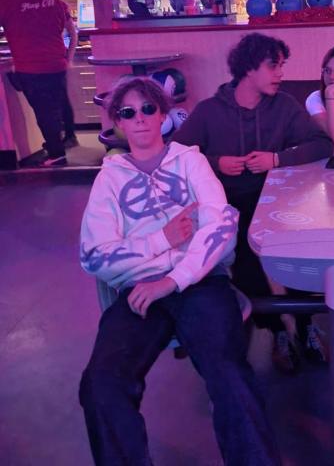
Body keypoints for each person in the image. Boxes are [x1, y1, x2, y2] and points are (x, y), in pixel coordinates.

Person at [79, 77, 281, 466]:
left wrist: (173, 278)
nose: (140, 118)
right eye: (128, 112)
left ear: (163, 115)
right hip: (140, 292)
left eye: (148, 108)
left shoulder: (191, 161)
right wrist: (164, 239)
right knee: (101, 383)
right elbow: (95, 256)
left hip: (200, 282)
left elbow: (222, 228)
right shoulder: (109, 179)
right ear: (118, 122)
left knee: (229, 374)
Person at [174, 32, 334, 374]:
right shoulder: (209, 111)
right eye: (273, 66)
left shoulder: (284, 106)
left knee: (296, 257)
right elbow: (177, 156)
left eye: (282, 66)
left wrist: (276, 159)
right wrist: (216, 163)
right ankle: (277, 331)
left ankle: (305, 326)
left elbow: (323, 144)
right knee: (244, 264)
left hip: (279, 200)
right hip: (231, 204)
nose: (280, 74)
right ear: (248, 68)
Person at [0, 0, 78, 166]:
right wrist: (68, 58)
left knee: (44, 112)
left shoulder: (5, 1)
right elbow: (70, 30)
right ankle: (58, 146)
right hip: (56, 64)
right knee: (55, 108)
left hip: (30, 67)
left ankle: (56, 154)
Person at [33, 0, 79, 149]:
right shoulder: (37, 6)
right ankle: (60, 138)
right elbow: (73, 34)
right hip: (47, 59)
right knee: (53, 102)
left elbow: (72, 33)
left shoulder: (55, 3)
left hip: (54, 59)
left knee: (59, 100)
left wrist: (69, 58)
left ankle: (68, 136)